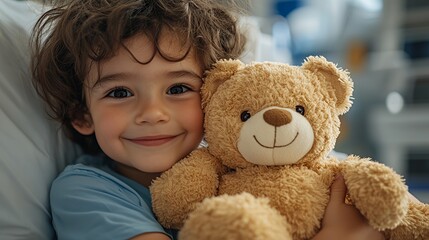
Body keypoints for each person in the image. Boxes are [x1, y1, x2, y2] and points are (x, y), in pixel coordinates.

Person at [31, 0, 386, 239]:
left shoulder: (254, 159)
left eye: (179, 88)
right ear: (82, 114)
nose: (153, 114)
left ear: (215, 96)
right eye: (120, 93)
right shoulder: (86, 192)